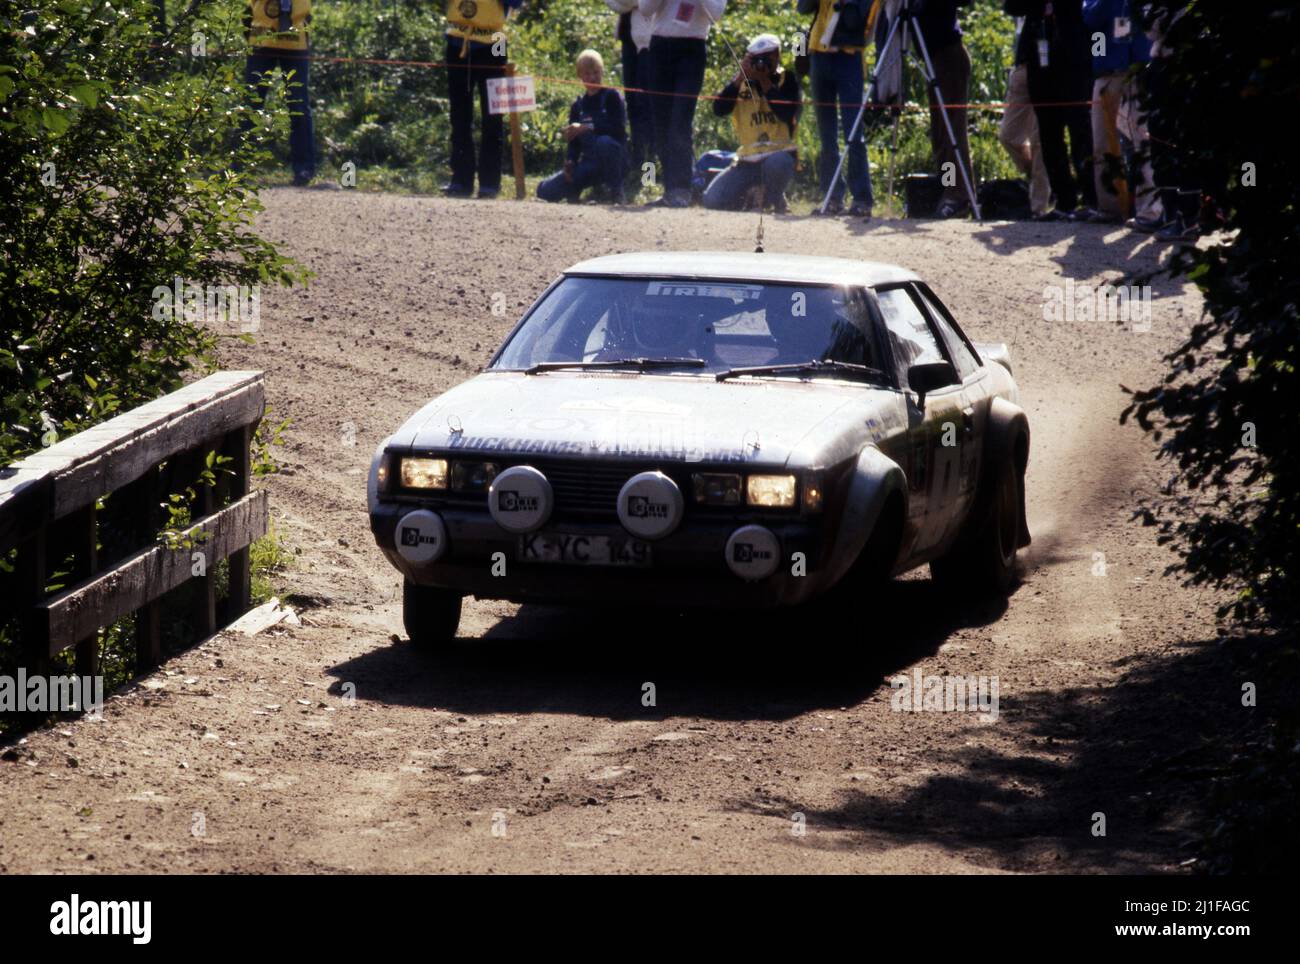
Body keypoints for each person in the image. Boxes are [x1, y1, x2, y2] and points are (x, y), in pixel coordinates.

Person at [1005, 0, 1097, 220]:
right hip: (1039, 59)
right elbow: (1012, 6)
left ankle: (1091, 199)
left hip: (1074, 59)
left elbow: (1088, 12)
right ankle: (1064, 201)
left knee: (1080, 131)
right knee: (1049, 135)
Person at [639, 0, 728, 208]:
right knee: (661, 122)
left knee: (680, 121)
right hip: (660, 46)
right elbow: (645, 9)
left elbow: (716, 14)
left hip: (692, 50)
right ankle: (670, 189)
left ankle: (682, 189)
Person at [703, 35, 802, 212]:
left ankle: (774, 196)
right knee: (712, 200)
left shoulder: (787, 80)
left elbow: (786, 114)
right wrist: (739, 78)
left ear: (777, 56)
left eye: (767, 58)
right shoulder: (741, 83)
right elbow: (718, 110)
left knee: (779, 163)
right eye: (757, 59)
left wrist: (764, 82)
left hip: (778, 155)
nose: (761, 64)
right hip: (747, 160)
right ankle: (752, 196)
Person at [797, 0, 874, 217]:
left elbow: (855, 20)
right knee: (826, 135)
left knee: (854, 133)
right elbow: (803, 9)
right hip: (819, 56)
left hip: (849, 57)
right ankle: (832, 197)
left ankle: (861, 198)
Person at [443, 0, 525, 199]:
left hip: (496, 42)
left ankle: (490, 182)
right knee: (459, 116)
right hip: (457, 40)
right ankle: (461, 180)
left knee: (494, 115)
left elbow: (516, 2)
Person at [1082, 0, 1151, 223]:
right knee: (1102, 143)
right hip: (1107, 73)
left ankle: (1148, 211)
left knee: (1143, 142)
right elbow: (1089, 19)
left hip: (1139, 71)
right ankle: (1110, 207)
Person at [911, 0, 978, 218]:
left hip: (948, 54)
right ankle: (947, 187)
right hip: (933, 58)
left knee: (952, 131)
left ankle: (958, 195)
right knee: (940, 132)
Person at [537, 50, 629, 204]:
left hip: (614, 159)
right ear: (579, 75)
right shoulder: (578, 105)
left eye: (596, 72)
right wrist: (571, 160)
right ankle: (576, 191)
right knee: (544, 190)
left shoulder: (612, 96)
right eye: (587, 74)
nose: (592, 78)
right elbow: (574, 142)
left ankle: (616, 192)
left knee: (604, 142)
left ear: (602, 72)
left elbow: (619, 130)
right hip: (590, 163)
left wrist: (588, 127)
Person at [244, 0, 316, 186]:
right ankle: (239, 166)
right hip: (261, 41)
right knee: (251, 104)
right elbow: (247, 10)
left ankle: (304, 169)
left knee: (298, 106)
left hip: (295, 44)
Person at [998, 17, 1051, 217]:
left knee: (1040, 141)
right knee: (1007, 136)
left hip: (1047, 70)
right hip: (1021, 67)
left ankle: (1038, 206)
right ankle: (1039, 177)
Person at [605, 0, 655, 184]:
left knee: (646, 108)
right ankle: (638, 165)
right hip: (628, 40)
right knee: (633, 107)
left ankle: (649, 174)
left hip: (649, 44)